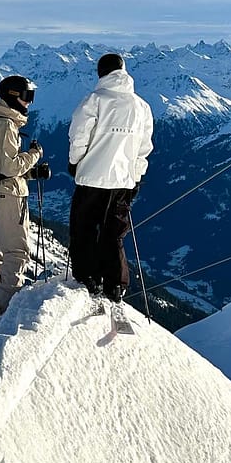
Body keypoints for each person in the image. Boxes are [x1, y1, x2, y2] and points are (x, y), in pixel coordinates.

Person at [68, 53, 154, 302]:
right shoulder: (142, 107)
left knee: (84, 228)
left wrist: (75, 163)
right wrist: (136, 176)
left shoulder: (94, 101)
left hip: (92, 178)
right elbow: (144, 148)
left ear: (101, 73)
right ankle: (116, 284)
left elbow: (79, 136)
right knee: (114, 232)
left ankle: (88, 277)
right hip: (124, 181)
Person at [0, 75, 44, 319]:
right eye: (27, 96)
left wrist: (29, 173)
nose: (29, 103)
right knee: (15, 253)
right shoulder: (5, 124)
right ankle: (3, 310)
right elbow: (8, 168)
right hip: (5, 196)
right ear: (14, 96)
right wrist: (34, 155)